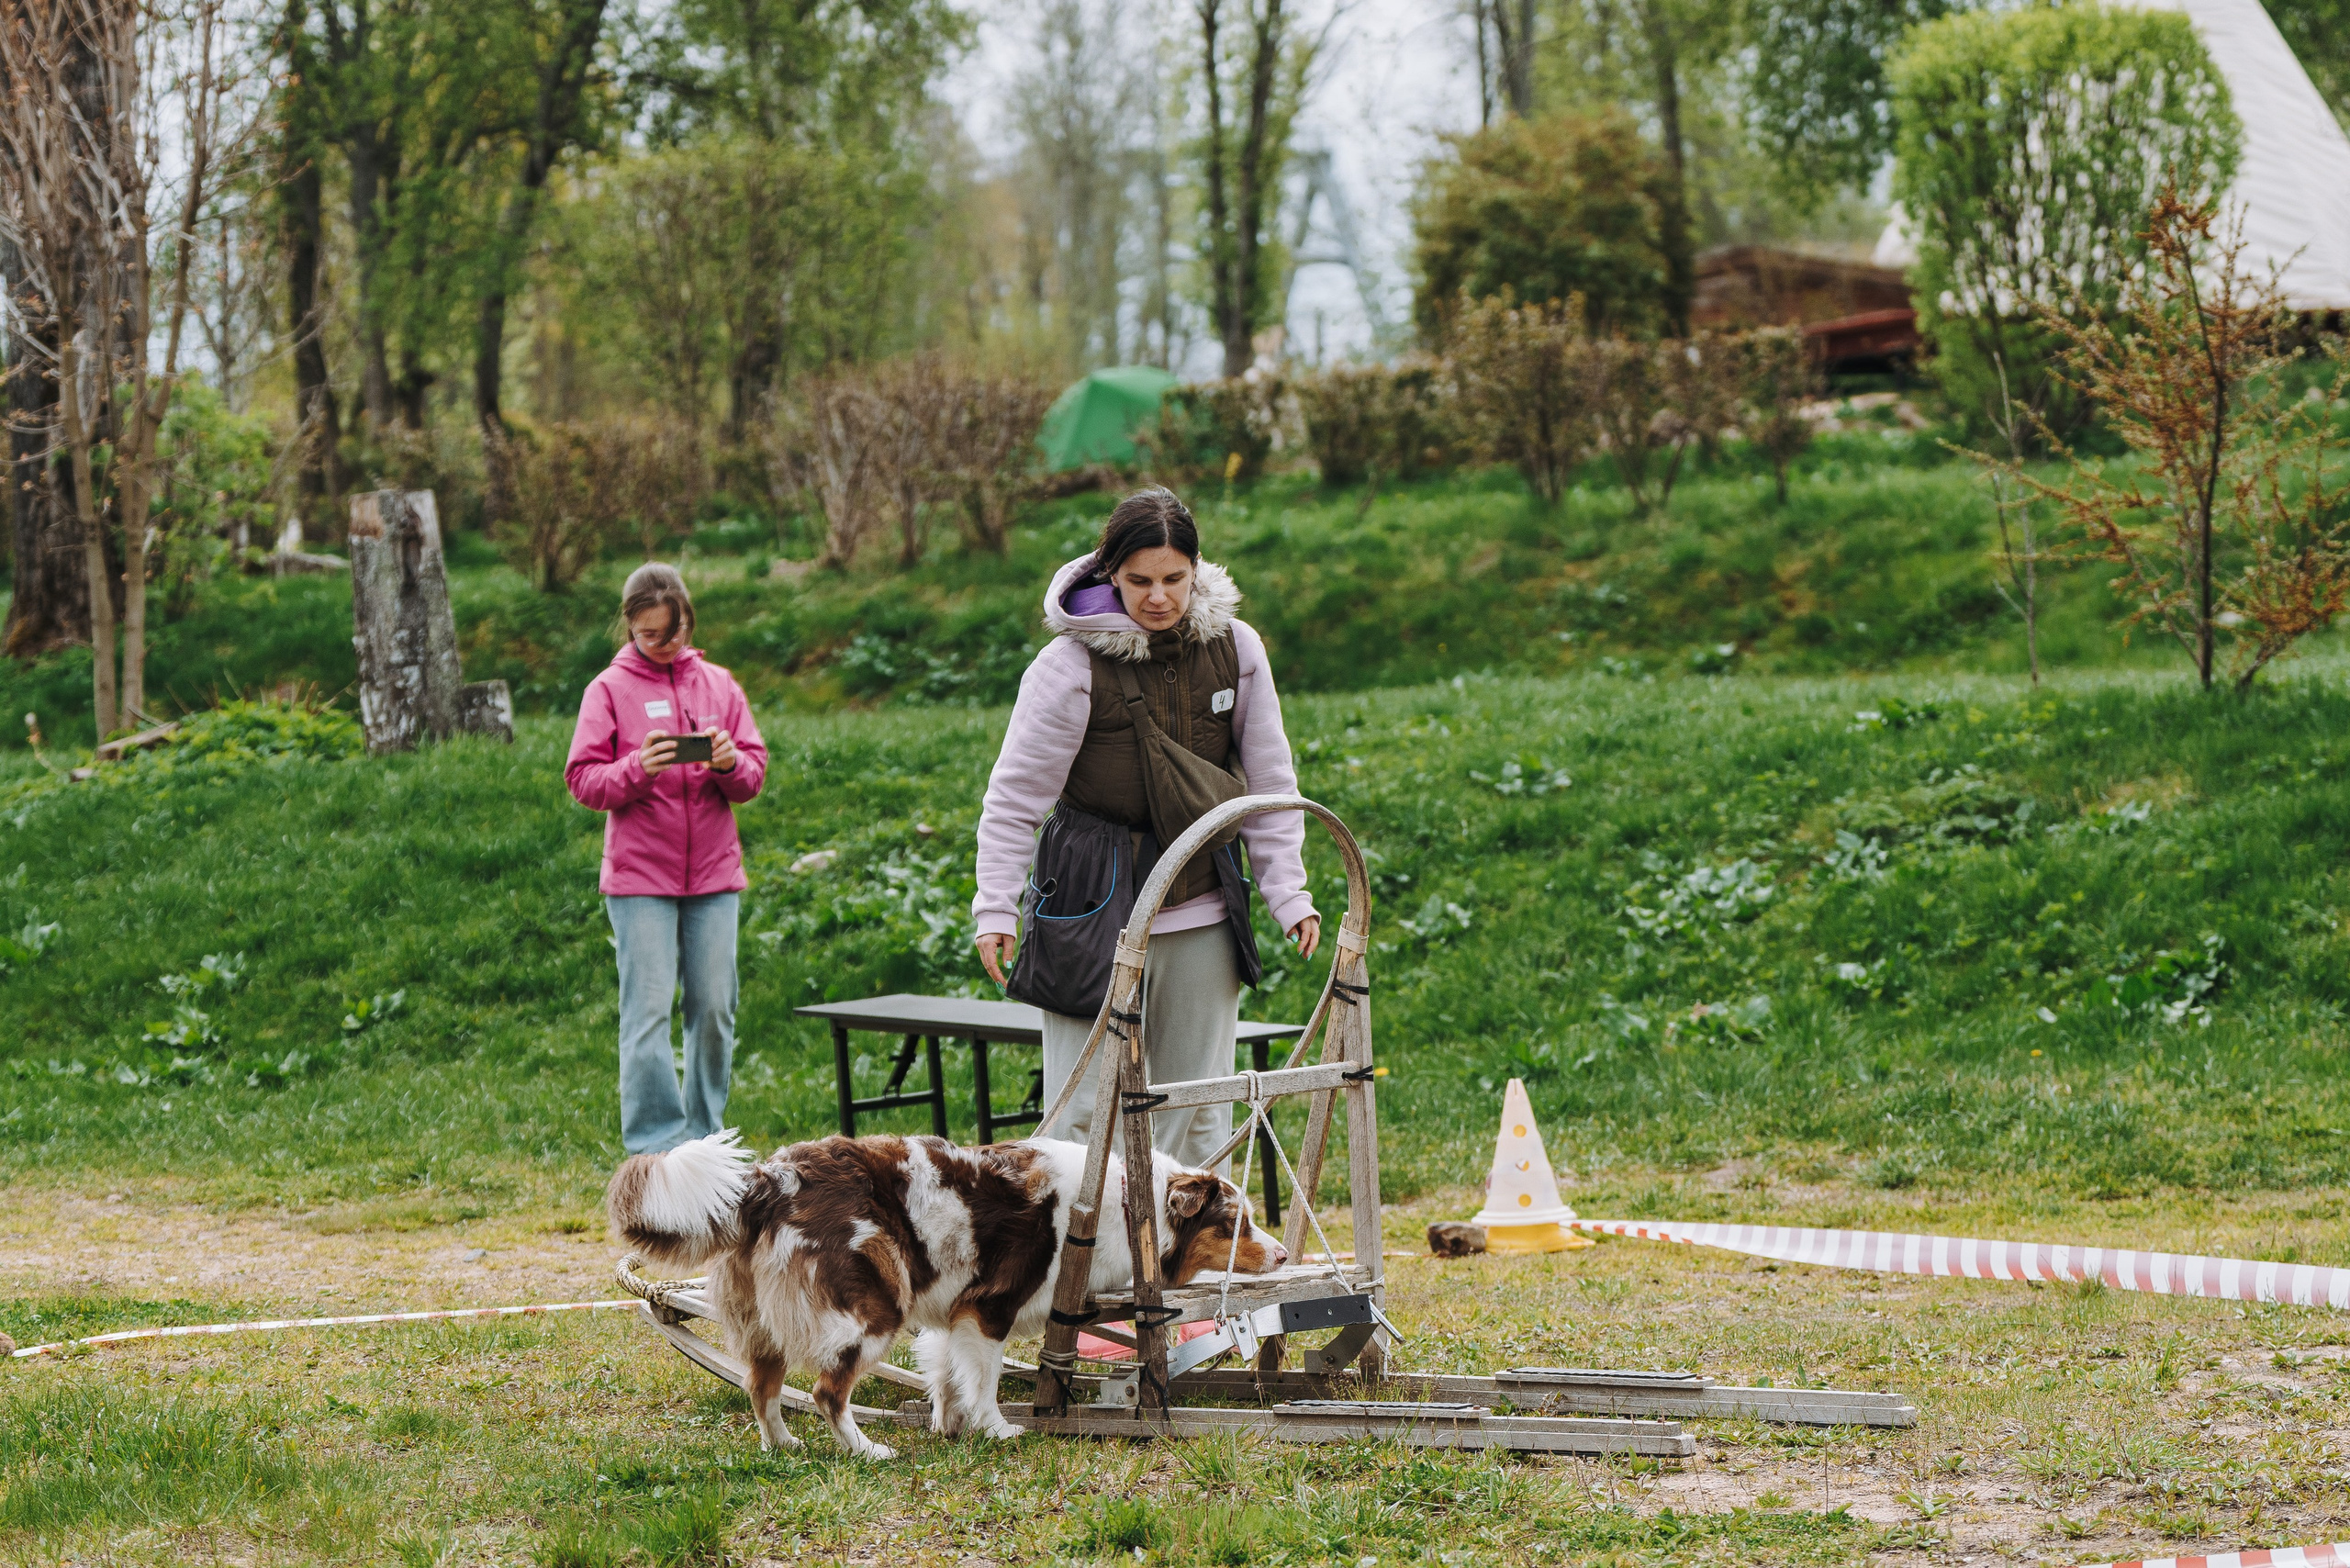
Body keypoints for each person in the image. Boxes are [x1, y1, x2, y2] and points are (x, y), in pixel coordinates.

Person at [973, 487, 1319, 1169]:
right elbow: (1015, 797)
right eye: (1138, 581)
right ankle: (1073, 1272)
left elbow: (1271, 782)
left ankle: (1187, 1262)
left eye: (1173, 579)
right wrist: (995, 907)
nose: (1157, 597)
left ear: (1196, 571)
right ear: (1110, 575)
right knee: (1077, 1112)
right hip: (1090, 907)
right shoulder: (1068, 666)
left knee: (1199, 1109)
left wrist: (1289, 894)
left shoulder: (1236, 649)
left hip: (1201, 903)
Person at [565, 564, 767, 1153]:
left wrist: (729, 764)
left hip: (713, 875)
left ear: (688, 620)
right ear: (630, 626)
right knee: (647, 1014)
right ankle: (654, 1147)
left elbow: (752, 777)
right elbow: (583, 780)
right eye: (652, 635)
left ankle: (705, 1140)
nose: (665, 644)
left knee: (714, 1009)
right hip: (639, 881)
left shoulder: (720, 684)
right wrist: (637, 767)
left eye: (674, 633)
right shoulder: (607, 690)